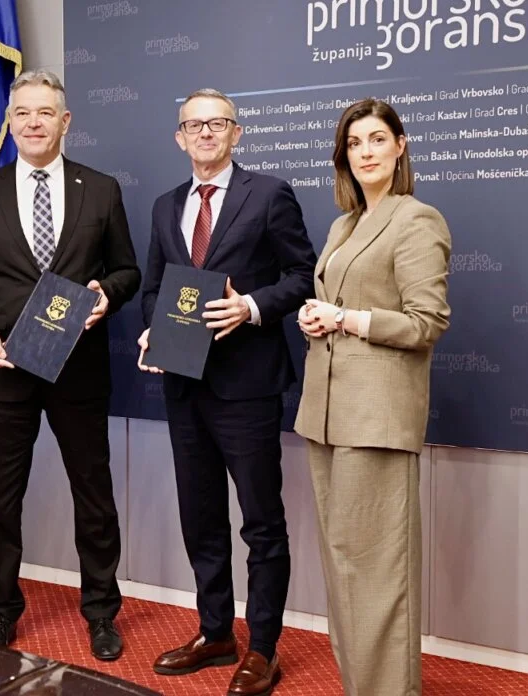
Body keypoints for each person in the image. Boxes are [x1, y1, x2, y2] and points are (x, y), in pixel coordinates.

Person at [0, 70, 140, 660]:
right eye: (22, 113)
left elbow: (128, 271)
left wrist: (107, 295)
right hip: (4, 367)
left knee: (94, 497)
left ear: (65, 121)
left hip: (79, 367)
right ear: (9, 122)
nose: (33, 122)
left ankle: (101, 613)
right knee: (1, 502)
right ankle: (1, 613)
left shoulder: (100, 189)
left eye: (45, 112)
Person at [137, 88, 317, 696]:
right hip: (183, 385)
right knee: (201, 517)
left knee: (261, 523)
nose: (206, 133)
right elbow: (153, 288)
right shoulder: (165, 205)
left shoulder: (268, 194)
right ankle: (215, 632)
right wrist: (152, 330)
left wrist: (252, 307)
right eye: (195, 125)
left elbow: (303, 275)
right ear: (180, 138)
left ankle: (262, 648)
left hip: (247, 386)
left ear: (236, 133)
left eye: (218, 123)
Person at [294, 98, 451, 696]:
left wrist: (347, 318)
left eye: (377, 139)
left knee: (379, 572)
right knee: (344, 565)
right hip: (326, 414)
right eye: (354, 143)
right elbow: (341, 305)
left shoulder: (418, 219)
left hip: (377, 417)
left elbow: (425, 323)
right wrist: (317, 317)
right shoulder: (344, 225)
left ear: (400, 146)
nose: (365, 152)